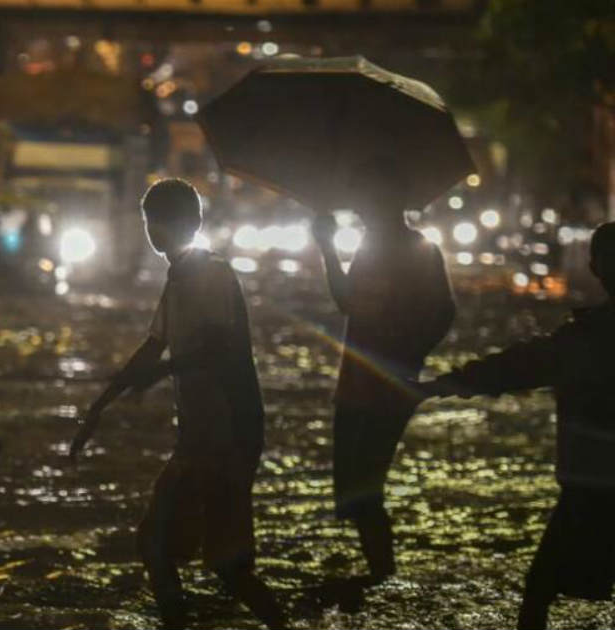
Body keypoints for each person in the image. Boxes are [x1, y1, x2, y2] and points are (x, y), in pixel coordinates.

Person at [70, 179, 289, 630]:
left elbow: (216, 347)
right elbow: (153, 346)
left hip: (228, 432)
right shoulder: (178, 280)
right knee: (166, 547)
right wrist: (100, 404)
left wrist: (162, 372)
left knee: (210, 559)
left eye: (164, 221)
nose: (156, 231)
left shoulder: (212, 274)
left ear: (192, 224)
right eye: (152, 221)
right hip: (199, 436)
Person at [420, 222, 615, 630]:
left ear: (595, 268)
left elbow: (515, 366)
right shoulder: (582, 336)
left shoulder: (585, 338)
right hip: (588, 487)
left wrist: (443, 385)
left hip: (592, 489)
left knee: (539, 592)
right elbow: (517, 365)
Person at [311, 159, 455, 582]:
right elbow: (348, 302)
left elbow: (444, 312)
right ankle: (380, 574)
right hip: (355, 385)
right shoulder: (369, 247)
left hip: (386, 389)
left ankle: (382, 576)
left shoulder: (420, 249)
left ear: (390, 201)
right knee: (352, 491)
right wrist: (327, 248)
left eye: (366, 199)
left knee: (364, 487)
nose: (360, 208)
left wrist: (408, 360)